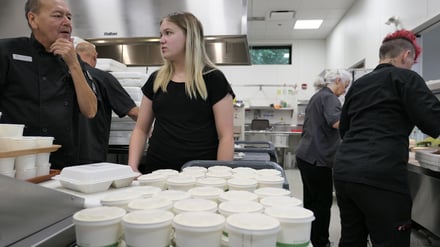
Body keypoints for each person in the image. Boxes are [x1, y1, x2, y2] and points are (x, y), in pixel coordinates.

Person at [334, 29, 440, 247]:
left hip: (345, 171)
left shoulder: (358, 85)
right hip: (381, 174)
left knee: (351, 239)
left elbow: (344, 129)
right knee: (390, 241)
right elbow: (434, 121)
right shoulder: (406, 78)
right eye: (412, 60)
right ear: (405, 55)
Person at [128, 12, 235, 174]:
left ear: (190, 37)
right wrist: (132, 167)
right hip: (157, 174)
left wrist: (219, 176)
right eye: (161, 34)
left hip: (200, 176)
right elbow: (141, 129)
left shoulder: (213, 79)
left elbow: (226, 137)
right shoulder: (156, 80)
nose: (161, 40)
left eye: (168, 33)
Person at [0, 0, 97, 169]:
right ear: (33, 19)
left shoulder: (73, 60)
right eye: (58, 15)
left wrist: (73, 64)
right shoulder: (7, 51)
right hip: (19, 164)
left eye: (69, 16)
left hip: (65, 164)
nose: (67, 22)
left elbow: (90, 110)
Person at [295, 70, 352, 247]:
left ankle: (310, 238)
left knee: (311, 201)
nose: (345, 90)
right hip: (317, 159)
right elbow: (337, 122)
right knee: (322, 203)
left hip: (306, 156)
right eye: (345, 85)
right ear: (337, 81)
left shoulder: (317, 96)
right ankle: (321, 242)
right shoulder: (329, 98)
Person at [76, 41, 139, 163]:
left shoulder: (62, 76)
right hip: (91, 154)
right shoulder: (103, 78)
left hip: (62, 155)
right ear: (95, 57)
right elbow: (133, 112)